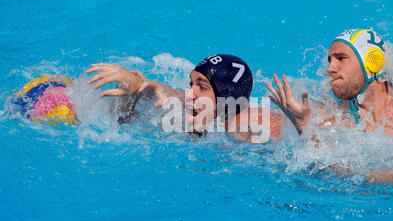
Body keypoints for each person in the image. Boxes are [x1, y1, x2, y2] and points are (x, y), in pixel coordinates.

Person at [266, 29, 393, 184]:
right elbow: (323, 172)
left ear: (372, 62)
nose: (331, 68)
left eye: (341, 58)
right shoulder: (334, 122)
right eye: (330, 60)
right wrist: (304, 127)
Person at [87, 54, 285, 143]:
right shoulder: (208, 109)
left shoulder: (250, 130)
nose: (190, 93)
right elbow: (168, 93)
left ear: (226, 98)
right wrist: (136, 86)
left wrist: (301, 124)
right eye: (191, 84)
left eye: (202, 86)